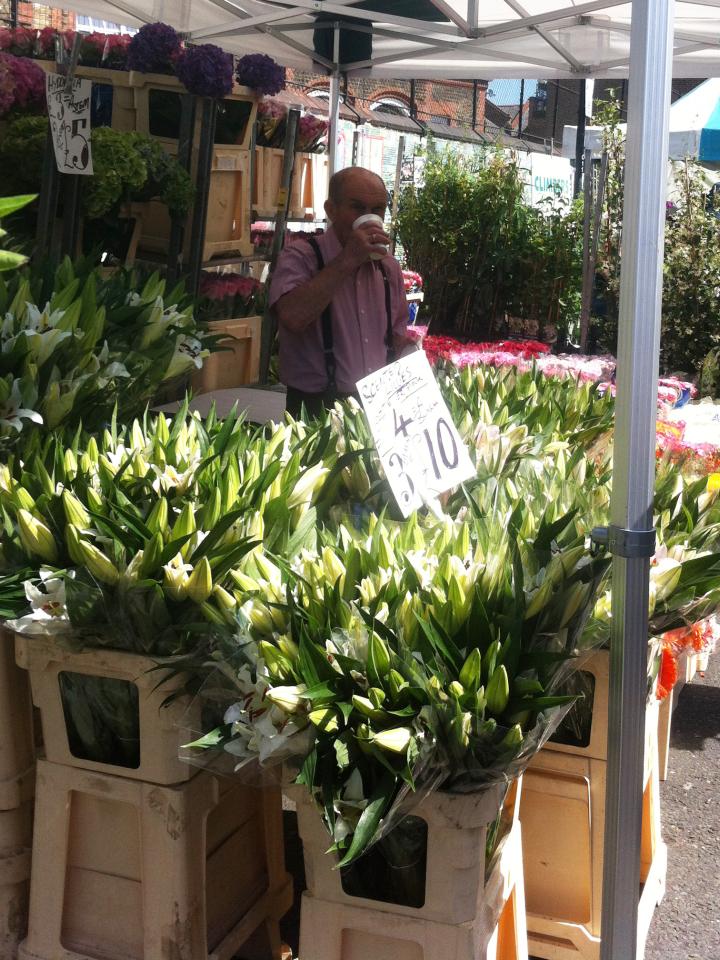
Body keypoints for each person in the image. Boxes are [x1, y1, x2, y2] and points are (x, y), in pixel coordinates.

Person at [269, 166, 410, 419]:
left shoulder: (388, 267)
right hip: (315, 405)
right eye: (357, 208)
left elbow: (398, 338)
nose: (369, 217)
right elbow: (292, 317)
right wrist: (348, 259)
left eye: (377, 209)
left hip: (378, 403)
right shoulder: (301, 257)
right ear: (331, 210)